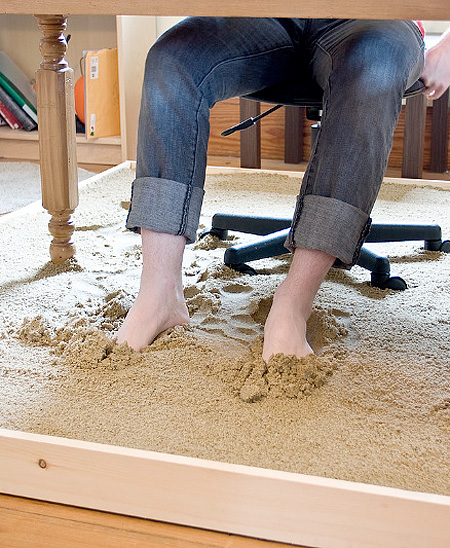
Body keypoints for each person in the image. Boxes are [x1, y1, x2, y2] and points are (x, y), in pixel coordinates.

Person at [117, 18, 448, 361]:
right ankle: (160, 291)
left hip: (375, 20)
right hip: (270, 16)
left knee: (373, 69)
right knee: (173, 58)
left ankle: (293, 302)